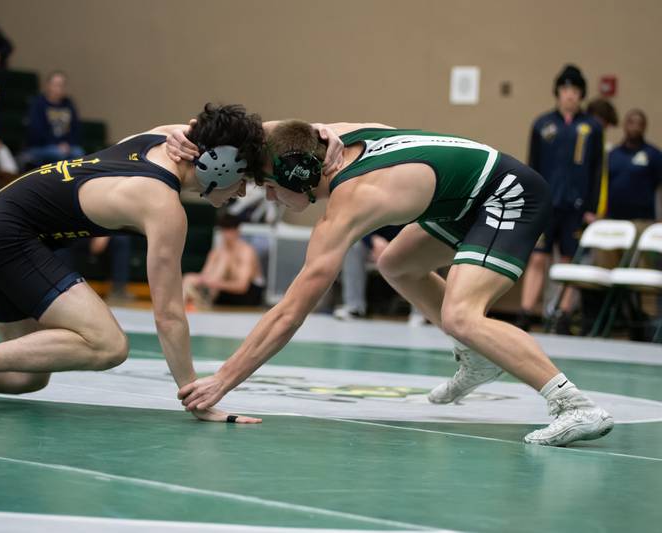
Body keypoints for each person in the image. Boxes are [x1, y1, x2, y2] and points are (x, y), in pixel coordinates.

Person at [170, 120, 614, 446]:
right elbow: (262, 133)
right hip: (463, 198)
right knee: (398, 264)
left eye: (269, 186)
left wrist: (224, 379)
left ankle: (574, 404)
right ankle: (479, 359)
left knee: (462, 314)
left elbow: (290, 312)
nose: (266, 196)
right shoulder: (326, 137)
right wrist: (189, 135)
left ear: (299, 177)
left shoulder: (352, 202)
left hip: (508, 194)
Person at [0, 104, 273, 424]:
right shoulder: (163, 205)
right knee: (109, 345)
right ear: (219, 161)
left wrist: (193, 128)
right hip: (10, 233)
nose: (243, 189)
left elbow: (202, 127)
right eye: (244, 178)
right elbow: (168, 315)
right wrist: (193, 393)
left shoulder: (160, 137)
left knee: (27, 375)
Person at [517, 64, 603, 334]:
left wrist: (591, 207)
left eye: (575, 90)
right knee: (538, 258)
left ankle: (563, 315)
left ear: (581, 95)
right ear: (557, 92)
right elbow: (532, 165)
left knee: (568, 260)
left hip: (576, 208)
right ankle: (526, 313)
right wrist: (531, 200)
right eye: (565, 89)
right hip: (546, 205)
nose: (570, 95)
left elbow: (597, 169)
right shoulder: (543, 125)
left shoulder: (592, 128)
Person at [182, 213, 265, 309]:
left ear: (236, 230)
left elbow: (242, 286)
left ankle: (204, 298)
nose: (226, 234)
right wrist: (197, 281)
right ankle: (186, 307)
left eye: (229, 230)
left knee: (224, 260)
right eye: (224, 230)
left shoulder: (246, 252)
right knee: (188, 279)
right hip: (222, 291)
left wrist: (214, 283)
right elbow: (205, 275)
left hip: (248, 294)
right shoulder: (217, 252)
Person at [26, 71, 86, 165]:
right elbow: (36, 132)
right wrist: (57, 144)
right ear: (48, 85)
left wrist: (68, 144)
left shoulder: (69, 104)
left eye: (62, 85)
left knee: (78, 152)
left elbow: (76, 128)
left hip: (66, 146)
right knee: (57, 154)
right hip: (42, 146)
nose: (59, 88)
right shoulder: (38, 104)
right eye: (56, 85)